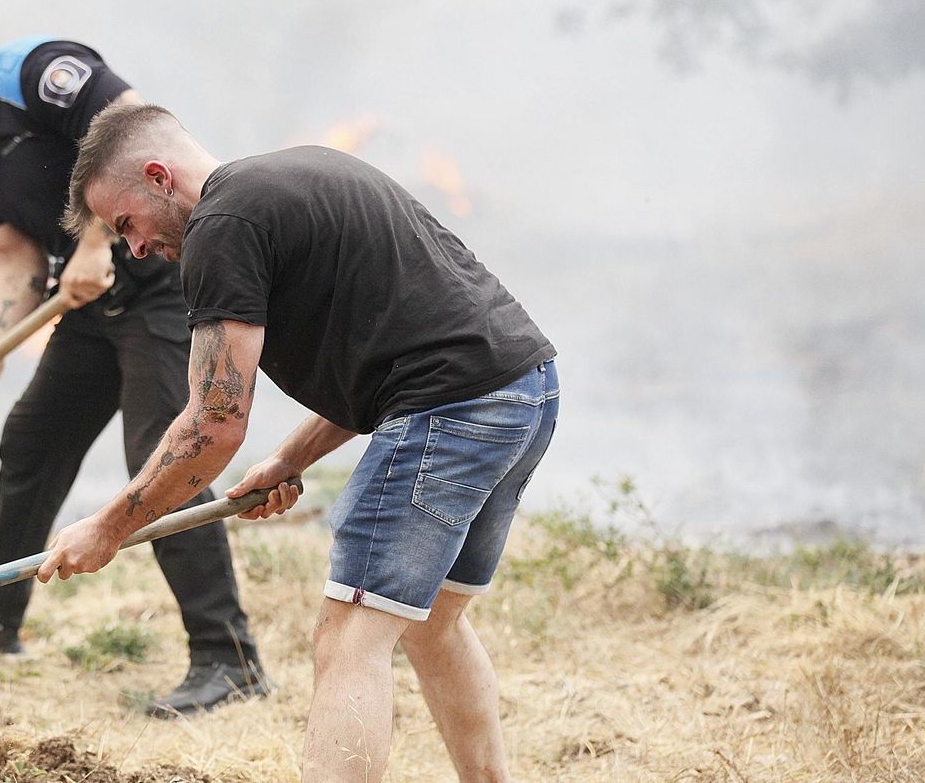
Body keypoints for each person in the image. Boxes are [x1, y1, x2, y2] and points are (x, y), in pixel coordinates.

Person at [40, 103, 559, 781]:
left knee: (349, 635)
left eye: (126, 224)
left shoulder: (220, 230)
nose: (134, 249)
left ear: (160, 176)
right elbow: (395, 353)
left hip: (451, 408)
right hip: (525, 389)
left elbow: (210, 427)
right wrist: (291, 460)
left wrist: (108, 528)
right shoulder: (297, 178)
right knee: (430, 620)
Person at [0, 6, 268, 717]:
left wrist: (100, 242)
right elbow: (17, 263)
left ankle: (228, 660)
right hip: (89, 313)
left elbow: (138, 129)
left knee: (164, 455)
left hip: (160, 289)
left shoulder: (36, 74)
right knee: (32, 441)